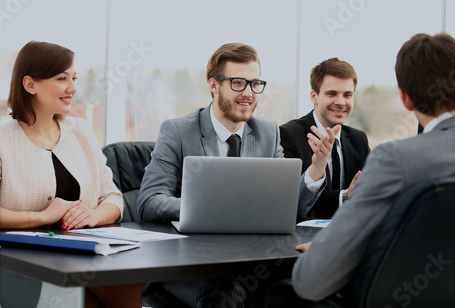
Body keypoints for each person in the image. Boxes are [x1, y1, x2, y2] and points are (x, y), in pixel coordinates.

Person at [137, 43, 339, 307]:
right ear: (213, 85)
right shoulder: (177, 131)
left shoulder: (267, 131)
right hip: (192, 263)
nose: (248, 93)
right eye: (238, 83)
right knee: (226, 296)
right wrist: (208, 208)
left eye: (255, 84)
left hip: (253, 258)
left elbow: (290, 204)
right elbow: (149, 200)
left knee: (315, 283)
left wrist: (317, 166)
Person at [291, 33, 455, 303]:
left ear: (405, 99)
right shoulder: (291, 133)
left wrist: (330, 252)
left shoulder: (395, 158)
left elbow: (309, 282)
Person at [0, 41, 142, 308]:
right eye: (61, 78)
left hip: (82, 255)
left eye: (74, 78)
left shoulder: (80, 131)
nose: (73, 88)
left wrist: (91, 215)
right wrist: (43, 216)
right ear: (30, 85)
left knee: (121, 283)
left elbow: (114, 199)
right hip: (24, 261)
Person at [280, 58, 369, 220]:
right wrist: (345, 197)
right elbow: (290, 203)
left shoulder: (359, 139)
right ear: (314, 96)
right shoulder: (287, 135)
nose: (341, 102)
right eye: (332, 93)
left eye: (347, 95)